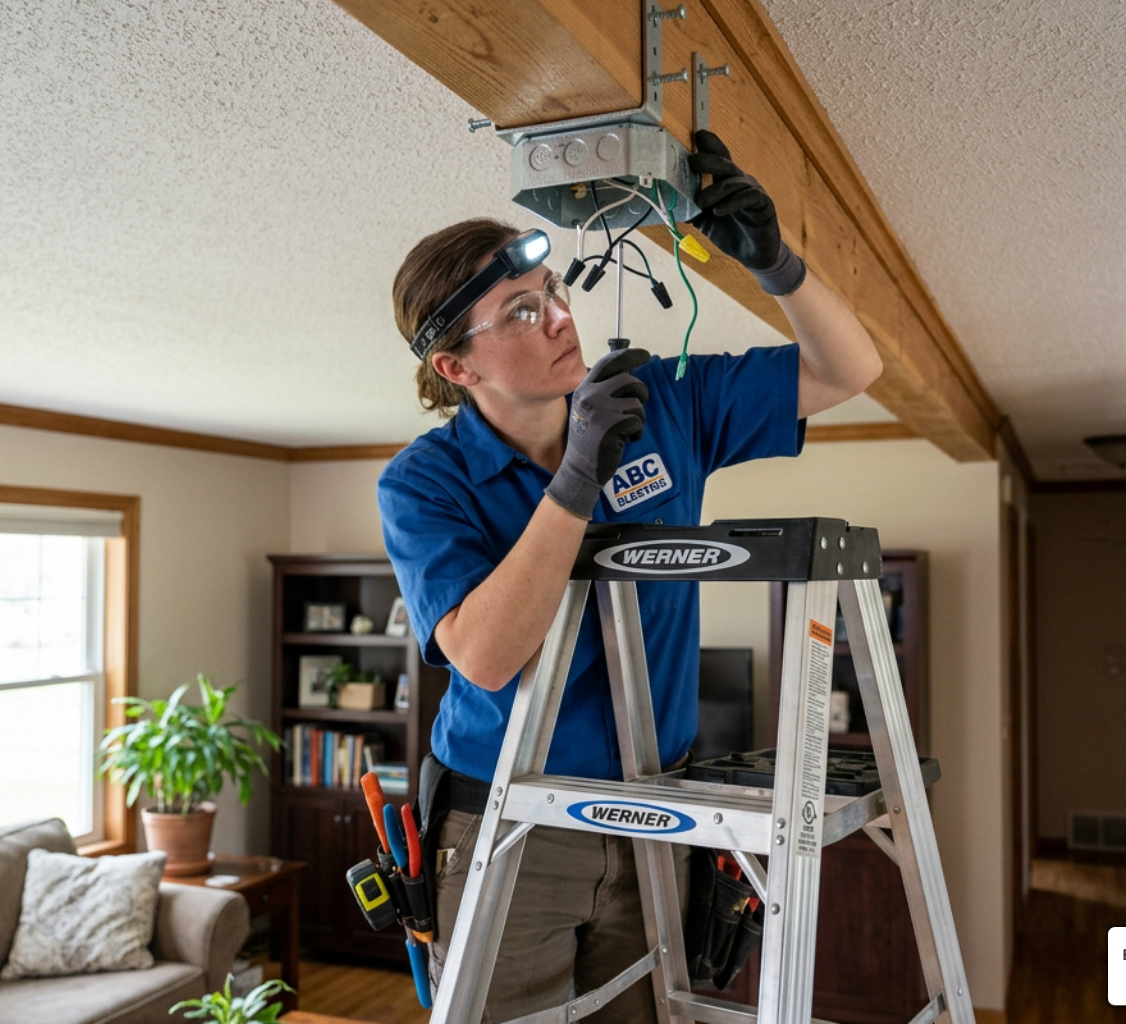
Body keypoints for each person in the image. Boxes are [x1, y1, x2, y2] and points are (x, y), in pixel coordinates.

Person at [376, 130, 881, 1024]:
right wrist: (576, 479)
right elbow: (486, 657)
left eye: (552, 293)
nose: (562, 317)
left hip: (659, 802)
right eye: (522, 314)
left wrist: (777, 265)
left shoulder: (661, 404)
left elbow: (852, 369)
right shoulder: (423, 483)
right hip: (507, 818)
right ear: (457, 368)